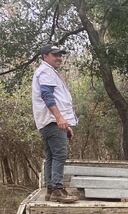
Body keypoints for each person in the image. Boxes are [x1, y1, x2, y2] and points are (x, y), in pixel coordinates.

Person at [31, 45, 79, 203]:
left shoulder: (48, 71)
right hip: (52, 121)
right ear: (45, 56)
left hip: (49, 122)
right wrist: (59, 118)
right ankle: (57, 190)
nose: (59, 58)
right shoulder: (45, 71)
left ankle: (51, 190)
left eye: (60, 55)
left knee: (51, 156)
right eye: (55, 55)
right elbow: (47, 96)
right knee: (60, 155)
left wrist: (65, 123)